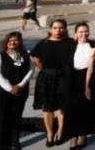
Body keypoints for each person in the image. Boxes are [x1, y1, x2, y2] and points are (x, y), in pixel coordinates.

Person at [32, 18, 76, 147]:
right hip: (47, 78)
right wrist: (46, 70)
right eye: (55, 28)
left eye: (61, 27)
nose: (58, 30)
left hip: (64, 77)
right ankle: (49, 133)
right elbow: (36, 59)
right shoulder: (43, 43)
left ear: (65, 29)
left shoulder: (70, 42)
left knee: (62, 106)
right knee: (47, 107)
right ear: (50, 29)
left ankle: (60, 131)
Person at [0, 32, 33, 150]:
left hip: (21, 91)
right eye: (10, 40)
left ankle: (14, 142)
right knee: (3, 117)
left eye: (15, 40)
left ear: (20, 41)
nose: (12, 42)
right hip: (3, 92)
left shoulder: (26, 54)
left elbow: (30, 71)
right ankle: (3, 143)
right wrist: (10, 88)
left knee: (16, 117)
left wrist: (20, 86)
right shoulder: (1, 55)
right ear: (6, 42)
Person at [67, 23, 95, 150]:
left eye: (86, 31)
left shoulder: (94, 44)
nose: (84, 34)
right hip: (73, 78)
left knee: (85, 107)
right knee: (73, 108)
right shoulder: (71, 45)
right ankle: (73, 136)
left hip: (89, 77)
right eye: (81, 32)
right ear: (76, 33)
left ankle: (83, 134)